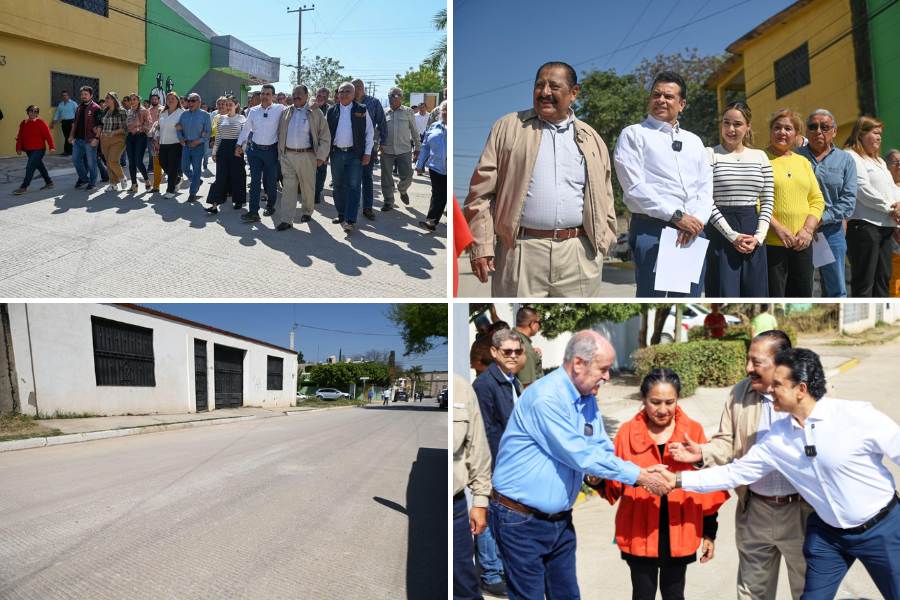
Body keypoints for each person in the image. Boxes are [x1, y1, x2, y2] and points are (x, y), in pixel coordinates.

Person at [667, 347, 900, 600]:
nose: (770, 389)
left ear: (801, 389)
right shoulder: (779, 437)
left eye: (778, 384)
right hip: (829, 536)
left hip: (882, 528)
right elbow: (735, 473)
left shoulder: (855, 416)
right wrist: (677, 480)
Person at [490, 330, 670, 599]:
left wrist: (604, 474)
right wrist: (640, 476)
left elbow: (599, 446)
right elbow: (580, 454)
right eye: (603, 369)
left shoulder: (586, 397)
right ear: (578, 364)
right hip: (520, 521)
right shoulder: (546, 398)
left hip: (559, 521)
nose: (608, 377)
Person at [668, 330, 811, 600]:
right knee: (751, 593)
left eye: (756, 362)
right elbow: (726, 442)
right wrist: (701, 453)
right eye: (748, 360)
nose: (748, 368)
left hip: (801, 512)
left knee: (809, 591)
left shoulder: (808, 394)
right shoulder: (739, 393)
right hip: (755, 510)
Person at [465, 61, 617, 297]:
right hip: (520, 252)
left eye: (554, 86)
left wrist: (605, 241)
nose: (545, 92)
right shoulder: (508, 128)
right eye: (539, 85)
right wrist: (481, 245)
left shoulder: (592, 139)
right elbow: (480, 193)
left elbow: (606, 197)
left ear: (573, 92)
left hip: (579, 253)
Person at [587, 369, 728, 600]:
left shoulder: (692, 431)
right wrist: (596, 479)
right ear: (643, 399)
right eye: (655, 402)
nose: (663, 410)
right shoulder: (626, 433)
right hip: (638, 531)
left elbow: (706, 487)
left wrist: (709, 533)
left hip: (681, 529)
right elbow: (613, 485)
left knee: (674, 595)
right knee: (642, 595)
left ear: (678, 398)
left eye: (669, 402)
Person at [614, 71, 713, 298]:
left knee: (688, 299)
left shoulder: (694, 141)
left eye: (668, 96)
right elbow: (634, 188)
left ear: (682, 104)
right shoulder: (633, 134)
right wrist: (677, 216)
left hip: (693, 231)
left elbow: (705, 188)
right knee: (653, 299)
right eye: (656, 95)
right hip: (652, 228)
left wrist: (695, 221)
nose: (661, 100)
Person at [471, 328, 525, 597]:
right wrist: (491, 471)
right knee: (489, 520)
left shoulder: (511, 380)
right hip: (494, 465)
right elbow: (483, 432)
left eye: (518, 351)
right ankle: (490, 575)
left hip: (512, 465)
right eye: (507, 351)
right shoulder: (484, 385)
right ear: (494, 352)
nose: (513, 356)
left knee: (504, 519)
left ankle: (501, 568)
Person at [704, 101, 773, 297]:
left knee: (756, 293)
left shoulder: (760, 157)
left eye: (737, 124)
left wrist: (758, 237)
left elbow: (768, 200)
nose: (731, 129)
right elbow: (706, 200)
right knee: (724, 293)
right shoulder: (710, 154)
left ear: (748, 126)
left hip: (752, 231)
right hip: (720, 230)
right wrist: (732, 236)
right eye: (726, 123)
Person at [797, 109, 858, 297]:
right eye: (813, 127)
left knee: (835, 289)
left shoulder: (846, 160)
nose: (818, 131)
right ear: (806, 131)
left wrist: (819, 220)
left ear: (834, 131)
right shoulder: (794, 157)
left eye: (824, 127)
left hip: (831, 232)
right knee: (800, 288)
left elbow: (848, 200)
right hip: (797, 231)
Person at [764, 109, 825, 297]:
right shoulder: (760, 159)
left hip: (802, 243)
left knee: (803, 295)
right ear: (771, 131)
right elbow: (756, 201)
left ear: (797, 134)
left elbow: (817, 199)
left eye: (788, 128)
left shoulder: (803, 162)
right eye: (777, 128)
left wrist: (807, 230)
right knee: (775, 296)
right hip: (772, 243)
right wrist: (778, 228)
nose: (782, 132)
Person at [845, 116, 900, 297]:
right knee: (865, 283)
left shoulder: (880, 162)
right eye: (875, 133)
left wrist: (898, 207)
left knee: (883, 280)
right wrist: (891, 208)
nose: (879, 137)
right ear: (861, 134)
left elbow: (891, 188)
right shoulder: (851, 156)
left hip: (886, 228)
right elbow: (862, 189)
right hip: (865, 227)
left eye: (880, 134)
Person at [453, 375, 493, 600]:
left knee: (465, 586)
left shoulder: (461, 388)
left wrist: (480, 501)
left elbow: (477, 448)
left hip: (456, 508)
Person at [275, 85, 331, 229]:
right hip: (287, 155)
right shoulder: (286, 112)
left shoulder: (315, 112)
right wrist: (281, 154)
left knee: (307, 187)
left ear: (307, 95)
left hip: (307, 155)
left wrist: (321, 156)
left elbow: (325, 136)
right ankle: (287, 219)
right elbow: (280, 132)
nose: (296, 96)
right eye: (294, 93)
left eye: (299, 93)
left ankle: (307, 211)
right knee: (288, 188)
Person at [326, 82, 374, 233]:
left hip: (355, 154)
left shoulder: (362, 110)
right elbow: (325, 134)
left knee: (354, 186)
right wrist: (324, 154)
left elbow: (369, 132)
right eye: (341, 91)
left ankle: (350, 219)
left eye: (347, 91)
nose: (344, 94)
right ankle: (341, 214)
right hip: (336, 153)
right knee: (338, 185)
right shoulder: (332, 111)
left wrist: (367, 152)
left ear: (353, 94)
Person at [237, 84, 284, 222]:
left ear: (273, 96)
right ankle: (253, 212)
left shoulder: (280, 109)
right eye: (263, 93)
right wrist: (239, 145)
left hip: (271, 151)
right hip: (255, 151)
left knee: (271, 182)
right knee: (255, 182)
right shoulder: (253, 111)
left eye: (268, 94)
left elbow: (295, 109)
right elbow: (246, 129)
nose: (264, 96)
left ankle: (270, 206)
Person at [379, 87, 420, 214]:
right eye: (391, 95)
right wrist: (376, 146)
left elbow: (414, 130)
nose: (393, 98)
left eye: (396, 95)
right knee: (386, 177)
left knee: (408, 175)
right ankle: (388, 201)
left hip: (404, 149)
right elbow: (378, 130)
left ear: (401, 97)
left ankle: (402, 190)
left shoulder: (408, 111)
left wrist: (418, 147)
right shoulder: (384, 112)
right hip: (387, 150)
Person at [352, 78, 387, 219]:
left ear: (363, 88)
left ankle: (367, 207)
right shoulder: (348, 102)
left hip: (368, 146)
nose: (357, 89)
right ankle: (350, 209)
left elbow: (382, 123)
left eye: (359, 86)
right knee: (351, 179)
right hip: (351, 147)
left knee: (367, 177)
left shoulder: (374, 102)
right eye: (355, 87)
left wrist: (383, 142)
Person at [206, 96, 246, 214]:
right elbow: (218, 137)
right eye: (226, 104)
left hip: (236, 149)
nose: (228, 107)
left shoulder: (241, 118)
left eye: (230, 104)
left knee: (237, 176)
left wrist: (242, 149)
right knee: (220, 176)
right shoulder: (221, 118)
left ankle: (238, 200)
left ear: (236, 105)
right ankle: (214, 204)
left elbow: (244, 136)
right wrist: (214, 152)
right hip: (223, 149)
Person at [417, 100, 447, 231]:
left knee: (444, 195)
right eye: (443, 109)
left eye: (448, 110)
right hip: (435, 166)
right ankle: (431, 221)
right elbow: (425, 146)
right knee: (438, 194)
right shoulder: (434, 126)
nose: (445, 112)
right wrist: (420, 164)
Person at [176, 93, 212, 203]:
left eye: (193, 100)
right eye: (189, 100)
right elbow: (178, 128)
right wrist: (180, 138)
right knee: (184, 167)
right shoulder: (184, 114)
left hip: (198, 146)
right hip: (186, 145)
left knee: (197, 170)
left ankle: (192, 193)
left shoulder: (205, 115)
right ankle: (197, 181)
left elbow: (208, 133)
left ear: (199, 102)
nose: (190, 103)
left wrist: (198, 141)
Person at [13, 105, 55, 195]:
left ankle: (24, 187)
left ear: (37, 114)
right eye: (31, 111)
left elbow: (48, 135)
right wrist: (18, 147)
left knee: (30, 166)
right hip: (29, 150)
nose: (33, 113)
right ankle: (49, 182)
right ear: (28, 112)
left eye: (35, 111)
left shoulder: (41, 122)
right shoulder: (23, 123)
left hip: (39, 149)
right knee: (40, 166)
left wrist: (52, 147)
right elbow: (20, 136)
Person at [153, 91, 184, 199]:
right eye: (168, 99)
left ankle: (170, 190)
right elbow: (158, 127)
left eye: (172, 99)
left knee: (173, 167)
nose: (170, 101)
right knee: (162, 162)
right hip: (163, 143)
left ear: (177, 101)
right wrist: (156, 138)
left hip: (176, 143)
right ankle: (177, 179)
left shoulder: (182, 112)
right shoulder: (163, 112)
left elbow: (185, 126)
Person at [70, 85, 102, 191]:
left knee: (91, 163)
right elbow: (75, 123)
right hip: (78, 140)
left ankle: (92, 183)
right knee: (75, 159)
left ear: (91, 95)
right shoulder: (79, 107)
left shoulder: (96, 108)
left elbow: (100, 125)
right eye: (82, 94)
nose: (83, 96)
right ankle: (84, 179)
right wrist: (71, 135)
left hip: (90, 140)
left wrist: (96, 138)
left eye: (86, 94)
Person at [99, 92, 128, 193]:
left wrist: (114, 132)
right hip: (105, 138)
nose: (106, 100)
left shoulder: (122, 111)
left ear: (114, 100)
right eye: (106, 98)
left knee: (113, 160)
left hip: (118, 139)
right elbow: (102, 124)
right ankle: (113, 184)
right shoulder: (105, 110)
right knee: (108, 162)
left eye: (108, 98)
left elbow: (125, 128)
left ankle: (122, 177)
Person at [124, 94, 151, 193]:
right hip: (130, 137)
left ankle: (147, 180)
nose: (132, 101)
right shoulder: (129, 111)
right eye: (131, 100)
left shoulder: (144, 111)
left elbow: (149, 124)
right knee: (131, 162)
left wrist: (139, 128)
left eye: (134, 99)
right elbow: (127, 124)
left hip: (140, 136)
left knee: (138, 161)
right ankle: (134, 184)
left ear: (139, 100)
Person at [512, 307, 542, 388]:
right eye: (539, 323)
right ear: (532, 324)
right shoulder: (525, 348)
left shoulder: (511, 336)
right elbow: (527, 386)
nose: (540, 326)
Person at [312, 87, 331, 205]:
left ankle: (317, 192)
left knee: (321, 171)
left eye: (324, 96)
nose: (321, 98)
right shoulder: (309, 107)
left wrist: (327, 152)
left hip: (323, 145)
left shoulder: (331, 110)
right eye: (319, 95)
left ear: (327, 98)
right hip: (309, 145)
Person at [52, 90, 77, 156]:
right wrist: (53, 122)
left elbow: (78, 113)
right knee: (66, 137)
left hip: (72, 122)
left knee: (70, 136)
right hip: (64, 122)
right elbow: (57, 114)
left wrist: (77, 122)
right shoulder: (60, 104)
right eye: (63, 95)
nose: (64, 97)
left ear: (68, 96)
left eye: (66, 95)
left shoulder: (73, 103)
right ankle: (68, 151)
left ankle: (69, 151)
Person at [146, 94, 163, 193]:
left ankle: (176, 178)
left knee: (164, 162)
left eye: (155, 99)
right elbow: (148, 125)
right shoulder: (148, 110)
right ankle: (156, 186)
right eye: (152, 99)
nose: (154, 100)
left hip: (165, 142)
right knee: (154, 159)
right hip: (152, 138)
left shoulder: (163, 109)